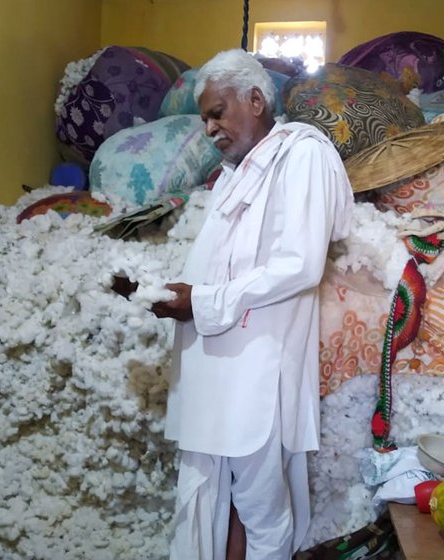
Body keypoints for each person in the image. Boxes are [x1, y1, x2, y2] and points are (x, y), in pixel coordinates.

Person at [148, 49, 353, 559]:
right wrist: (174, 296)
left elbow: (300, 264)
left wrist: (205, 302)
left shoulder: (301, 153)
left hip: (258, 371)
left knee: (264, 514)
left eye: (217, 111)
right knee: (220, 504)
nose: (209, 127)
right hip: (220, 373)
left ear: (256, 99)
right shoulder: (235, 175)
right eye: (203, 119)